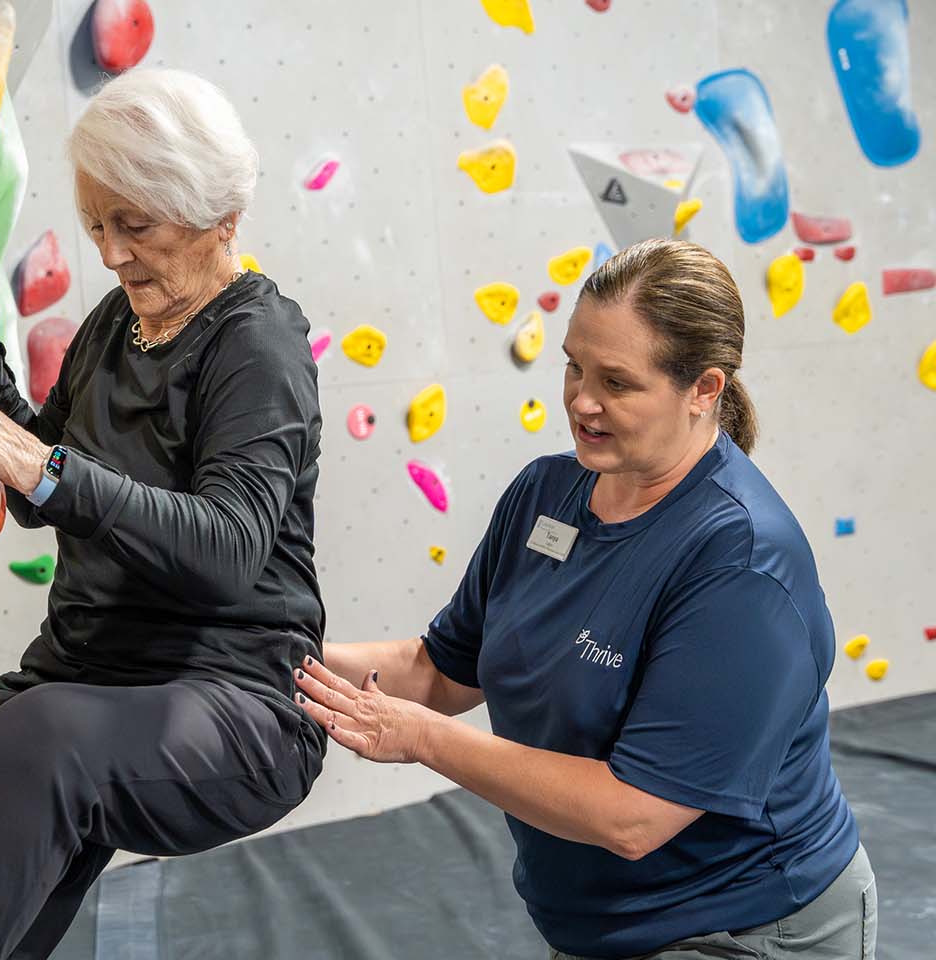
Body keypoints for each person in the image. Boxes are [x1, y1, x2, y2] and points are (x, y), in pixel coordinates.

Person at [296, 239, 875, 960]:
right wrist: (283, 658)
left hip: (745, 926)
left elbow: (633, 815)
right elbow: (443, 671)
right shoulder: (546, 492)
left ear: (704, 389)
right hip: (599, 925)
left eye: (618, 382)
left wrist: (417, 737)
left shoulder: (743, 564)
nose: (581, 400)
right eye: (573, 364)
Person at [0, 68, 326, 959]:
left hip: (234, 702)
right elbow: (42, 490)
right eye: (96, 226)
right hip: (94, 684)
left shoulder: (257, 348)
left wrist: (40, 464)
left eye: (137, 226)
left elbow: (228, 547)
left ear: (220, 219)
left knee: (42, 742)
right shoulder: (116, 324)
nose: (112, 253)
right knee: (23, 757)